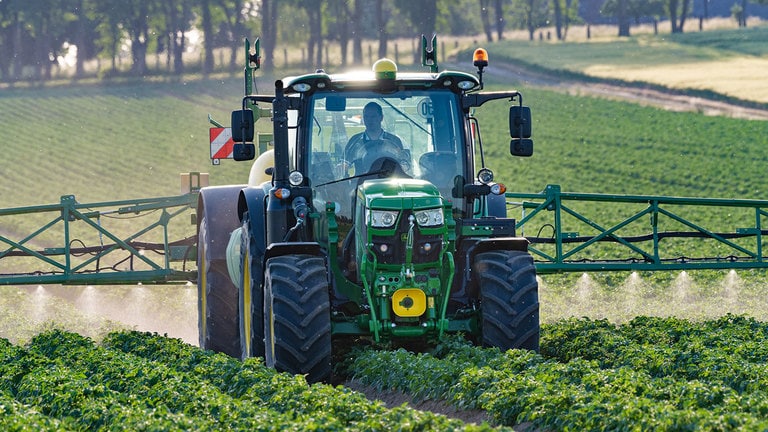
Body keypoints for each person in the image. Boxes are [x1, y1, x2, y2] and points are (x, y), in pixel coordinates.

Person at [342, 102, 404, 174]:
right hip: (361, 182)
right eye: (366, 117)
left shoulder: (394, 141)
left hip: (388, 182)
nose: (369, 120)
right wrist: (343, 166)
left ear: (381, 117)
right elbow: (344, 163)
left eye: (373, 116)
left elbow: (403, 164)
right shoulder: (355, 141)